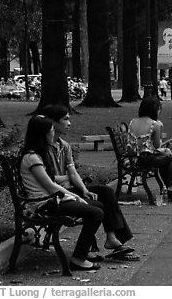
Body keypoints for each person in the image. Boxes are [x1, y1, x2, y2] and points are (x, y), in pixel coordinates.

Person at [41, 104, 135, 264]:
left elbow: (72, 172)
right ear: (53, 123)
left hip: (67, 190)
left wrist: (83, 190)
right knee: (98, 205)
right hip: (57, 195)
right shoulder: (42, 149)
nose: (69, 123)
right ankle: (86, 251)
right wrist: (67, 180)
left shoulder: (64, 146)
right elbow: (50, 180)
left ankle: (112, 237)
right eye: (65, 119)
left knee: (106, 191)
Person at [20, 115, 105, 271]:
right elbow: (50, 187)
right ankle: (78, 258)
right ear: (43, 134)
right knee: (96, 213)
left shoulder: (37, 154)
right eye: (52, 130)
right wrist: (75, 197)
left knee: (98, 206)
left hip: (52, 200)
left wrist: (76, 196)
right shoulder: (31, 158)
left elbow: (52, 184)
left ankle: (85, 252)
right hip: (44, 204)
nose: (54, 133)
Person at [128, 97, 172, 201]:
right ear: (155, 110)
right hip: (146, 160)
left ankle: (170, 186)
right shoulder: (155, 124)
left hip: (133, 158)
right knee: (168, 158)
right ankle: (170, 186)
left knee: (165, 157)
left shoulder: (133, 122)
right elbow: (157, 145)